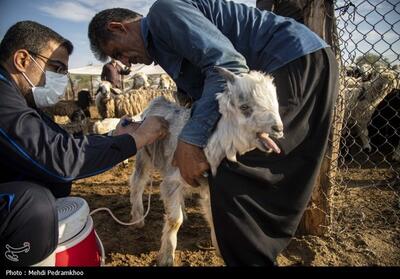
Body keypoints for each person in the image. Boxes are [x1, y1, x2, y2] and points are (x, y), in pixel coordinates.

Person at [88, 0, 339, 266]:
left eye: (117, 52)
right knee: (254, 171)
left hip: (287, 62)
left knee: (229, 169)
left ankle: (251, 258)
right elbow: (203, 88)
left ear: (119, 27)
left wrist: (191, 139)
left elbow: (228, 65)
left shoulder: (163, 13)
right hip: (301, 62)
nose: (125, 62)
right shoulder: (163, 45)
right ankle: (254, 253)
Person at [0, 20, 169, 266]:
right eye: (56, 68)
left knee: (55, 186)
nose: (60, 78)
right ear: (23, 60)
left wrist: (114, 138)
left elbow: (60, 142)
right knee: (31, 205)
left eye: (64, 72)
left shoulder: (21, 100)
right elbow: (58, 157)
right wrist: (137, 139)